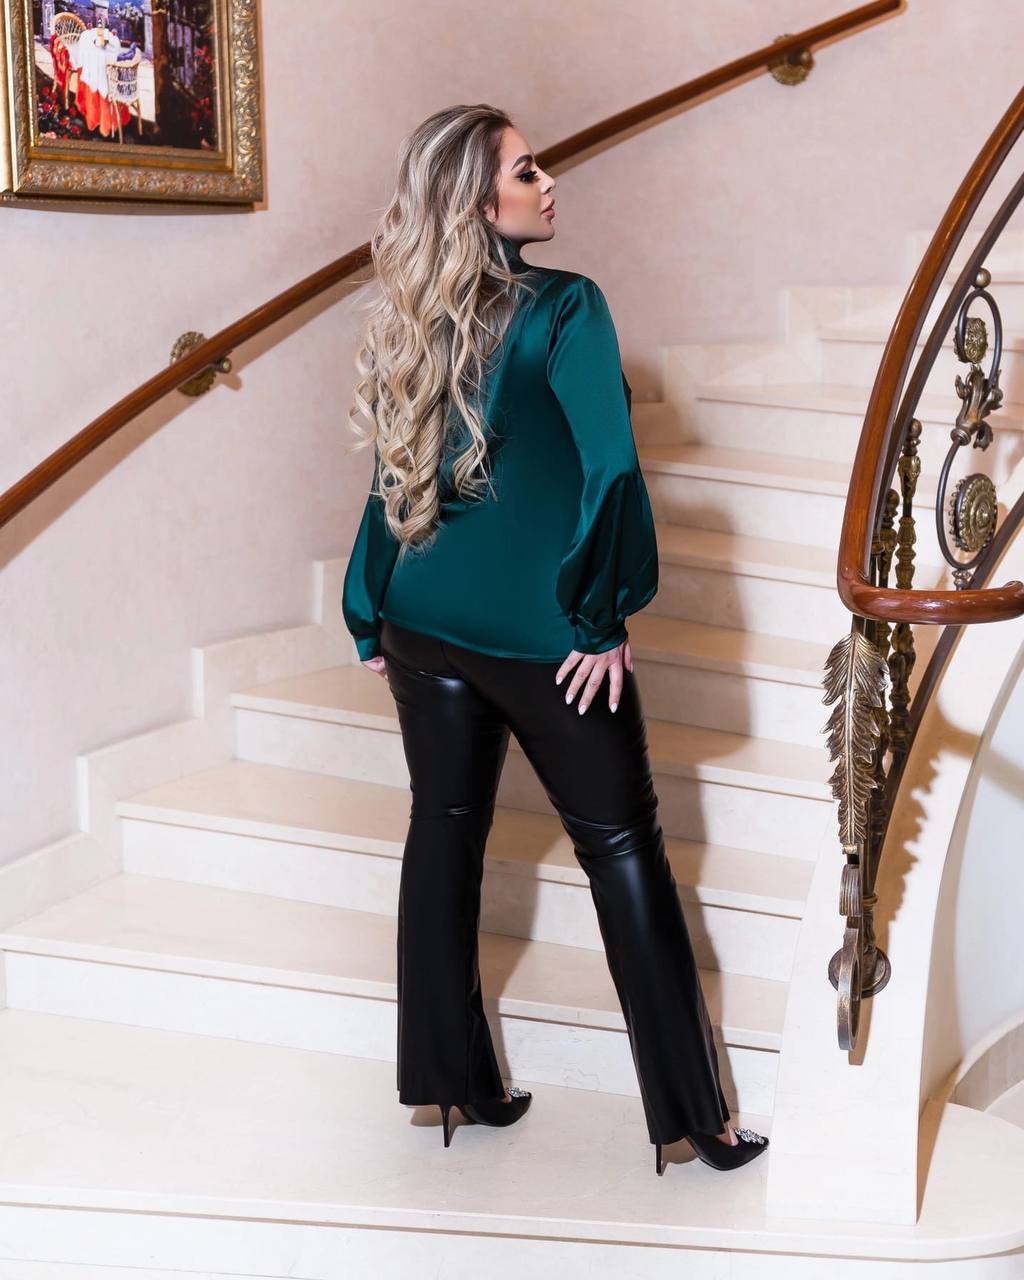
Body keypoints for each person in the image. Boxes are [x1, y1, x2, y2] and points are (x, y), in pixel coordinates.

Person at [341, 104, 768, 1174]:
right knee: (623, 853)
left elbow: (393, 470)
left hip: (423, 620)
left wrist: (368, 602)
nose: (549, 182)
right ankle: (697, 1118)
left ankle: (455, 1082)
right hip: (546, 638)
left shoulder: (414, 315)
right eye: (527, 170)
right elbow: (612, 468)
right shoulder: (568, 304)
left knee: (442, 830)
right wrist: (599, 613)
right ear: (479, 202)